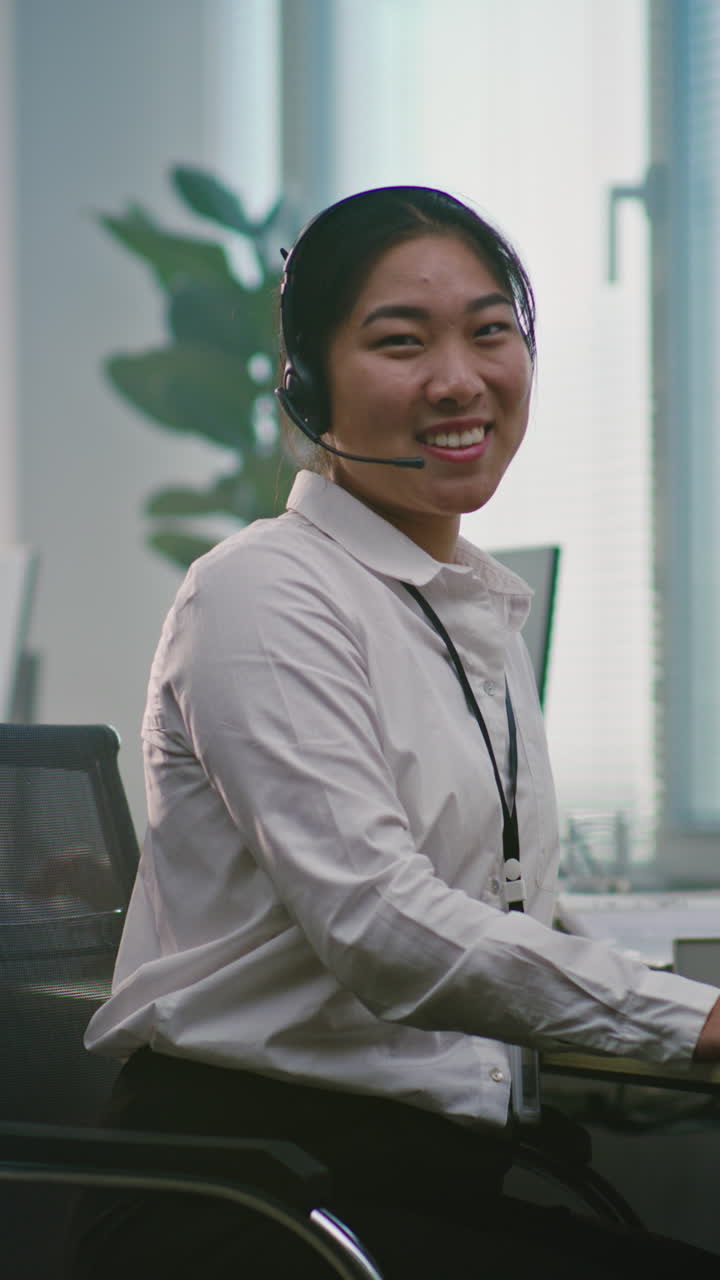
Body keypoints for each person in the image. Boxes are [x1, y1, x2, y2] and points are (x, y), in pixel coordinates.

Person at [66, 186, 720, 1278]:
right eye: (401, 342)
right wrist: (692, 1022)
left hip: (406, 1189)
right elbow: (382, 923)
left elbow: (501, 908)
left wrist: (665, 996)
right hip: (253, 1205)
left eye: (490, 331)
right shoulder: (261, 592)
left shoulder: (471, 610)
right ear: (307, 384)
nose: (459, 379)